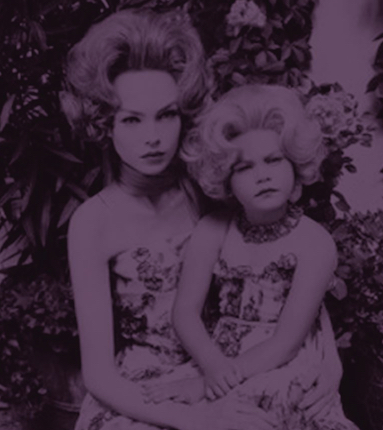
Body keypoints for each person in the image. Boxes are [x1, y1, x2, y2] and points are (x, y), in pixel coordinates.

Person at [62, 9, 278, 430]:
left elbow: (284, 257)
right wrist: (198, 420)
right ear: (104, 124)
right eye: (132, 119)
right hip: (140, 393)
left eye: (166, 115)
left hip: (222, 368)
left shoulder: (207, 188)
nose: (153, 137)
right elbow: (99, 376)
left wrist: (328, 362)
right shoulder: (92, 222)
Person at [144, 84, 359, 429]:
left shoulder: (314, 243)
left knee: (253, 411)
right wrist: (212, 367)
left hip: (282, 364)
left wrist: (211, 383)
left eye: (274, 160)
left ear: (296, 165)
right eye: (244, 167)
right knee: (157, 411)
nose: (263, 176)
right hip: (216, 357)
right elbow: (184, 313)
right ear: (225, 179)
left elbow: (286, 344)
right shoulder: (213, 230)